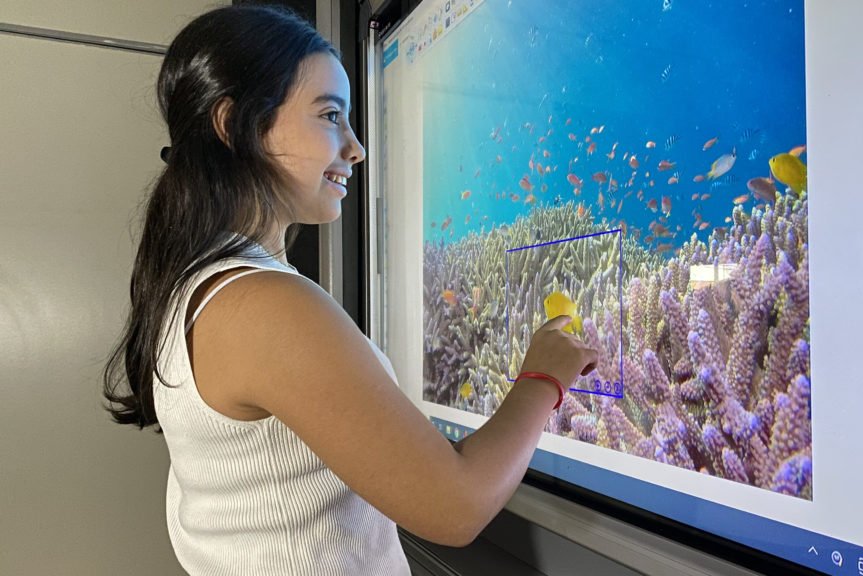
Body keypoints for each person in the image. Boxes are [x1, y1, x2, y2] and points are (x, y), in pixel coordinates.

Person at [102, 5, 598, 575]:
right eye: (330, 115)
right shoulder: (260, 304)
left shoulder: (199, 282)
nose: (356, 148)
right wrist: (543, 377)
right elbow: (456, 507)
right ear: (234, 125)